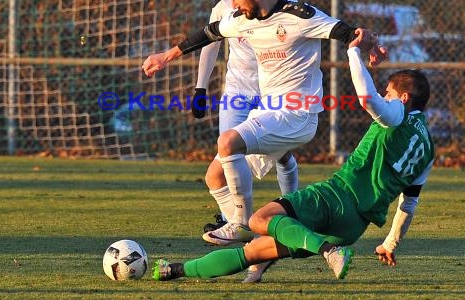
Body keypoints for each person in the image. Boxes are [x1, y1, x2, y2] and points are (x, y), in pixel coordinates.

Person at [149, 32, 435, 283]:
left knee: (259, 220)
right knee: (254, 251)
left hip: (336, 197)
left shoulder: (397, 113)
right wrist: (390, 244)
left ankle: (328, 251)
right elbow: (408, 203)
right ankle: (174, 270)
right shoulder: (428, 150)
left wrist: (353, 52)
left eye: (389, 93)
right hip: (353, 227)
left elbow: (366, 98)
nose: (386, 97)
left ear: (404, 98)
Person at [143, 0, 380, 247]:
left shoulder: (300, 16)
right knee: (214, 177)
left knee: (228, 143)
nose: (233, 4)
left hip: (298, 115)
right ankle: (262, 238)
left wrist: (370, 44)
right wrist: (164, 57)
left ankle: (242, 223)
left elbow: (346, 33)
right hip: (269, 112)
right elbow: (209, 33)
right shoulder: (243, 20)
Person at [195, 0, 300, 240]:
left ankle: (292, 209)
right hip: (237, 92)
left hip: (273, 92)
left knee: (281, 154)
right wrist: (200, 88)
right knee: (227, 156)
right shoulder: (224, 2)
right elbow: (209, 41)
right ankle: (235, 220)